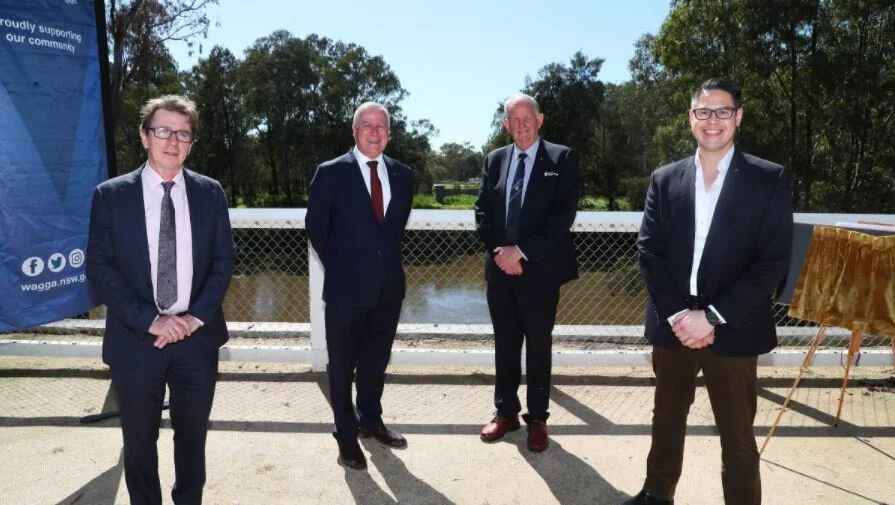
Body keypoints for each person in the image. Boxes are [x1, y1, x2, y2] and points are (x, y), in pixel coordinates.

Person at [627, 78, 794, 505]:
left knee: (737, 435)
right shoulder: (664, 180)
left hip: (733, 329)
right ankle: (655, 495)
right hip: (673, 327)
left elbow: (771, 262)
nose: (712, 120)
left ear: (738, 117)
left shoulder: (768, 179)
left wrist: (713, 316)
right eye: (704, 111)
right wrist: (680, 317)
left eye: (722, 111)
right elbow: (649, 252)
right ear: (691, 119)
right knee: (666, 419)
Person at [86, 95, 235, 505]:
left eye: (182, 133)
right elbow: (100, 270)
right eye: (163, 130)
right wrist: (151, 320)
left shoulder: (210, 193)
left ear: (191, 143)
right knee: (139, 442)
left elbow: (224, 262)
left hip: (196, 339)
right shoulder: (110, 195)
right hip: (136, 340)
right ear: (144, 137)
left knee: (192, 438)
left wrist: (193, 318)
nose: (173, 140)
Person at [305, 101, 414, 470]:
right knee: (342, 367)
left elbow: (392, 234)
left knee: (375, 361)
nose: (374, 131)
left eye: (381, 126)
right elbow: (316, 228)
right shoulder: (331, 173)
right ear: (354, 132)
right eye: (366, 125)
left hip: (388, 289)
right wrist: (343, 268)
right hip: (345, 290)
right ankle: (346, 436)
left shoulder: (403, 175)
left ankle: (371, 420)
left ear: (389, 133)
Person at [474, 93, 580, 452]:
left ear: (540, 120)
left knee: (538, 344)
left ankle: (537, 419)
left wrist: (521, 252)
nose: (521, 125)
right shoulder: (494, 160)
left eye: (527, 118)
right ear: (505, 125)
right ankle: (505, 413)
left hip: (541, 270)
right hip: (500, 270)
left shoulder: (561, 158)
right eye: (513, 120)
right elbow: (483, 214)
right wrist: (501, 253)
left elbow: (562, 217)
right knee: (505, 344)